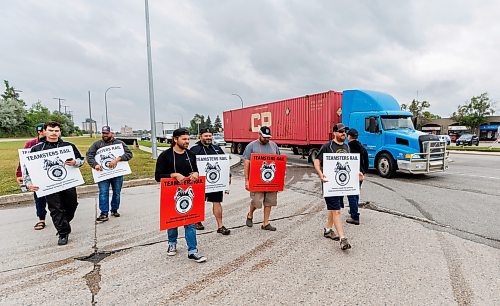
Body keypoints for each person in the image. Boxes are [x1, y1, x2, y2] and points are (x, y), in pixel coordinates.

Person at [24, 121, 85, 245]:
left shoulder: (69, 146)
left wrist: (75, 162)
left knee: (72, 205)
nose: (53, 133)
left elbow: (81, 160)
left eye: (56, 130)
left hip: (67, 183)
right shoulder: (36, 148)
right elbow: (28, 169)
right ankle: (63, 233)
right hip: (49, 185)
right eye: (51, 130)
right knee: (55, 208)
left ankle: (64, 223)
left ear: (60, 132)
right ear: (45, 131)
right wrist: (28, 183)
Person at [155, 128, 207, 263]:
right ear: (175, 139)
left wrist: (196, 173)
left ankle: (192, 251)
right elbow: (157, 176)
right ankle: (172, 243)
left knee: (190, 222)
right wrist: (173, 175)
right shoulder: (165, 156)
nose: (187, 142)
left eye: (188, 139)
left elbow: (195, 170)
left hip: (189, 193)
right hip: (171, 194)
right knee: (173, 221)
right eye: (184, 139)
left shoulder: (190, 155)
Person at [313, 123, 364, 250]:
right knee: (336, 210)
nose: (343, 133)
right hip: (329, 183)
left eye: (344, 132)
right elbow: (316, 161)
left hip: (341, 184)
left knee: (334, 207)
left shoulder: (347, 146)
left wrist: (358, 174)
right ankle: (343, 238)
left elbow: (349, 165)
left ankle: (328, 229)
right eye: (341, 131)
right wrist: (320, 174)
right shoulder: (327, 146)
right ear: (334, 132)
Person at [86, 126, 133, 222]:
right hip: (103, 173)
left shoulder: (119, 143)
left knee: (117, 192)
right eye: (103, 133)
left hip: (117, 173)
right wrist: (95, 165)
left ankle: (114, 209)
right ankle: (104, 213)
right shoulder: (97, 144)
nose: (105, 135)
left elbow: (129, 154)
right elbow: (89, 155)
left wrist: (118, 159)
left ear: (112, 133)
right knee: (103, 193)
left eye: (107, 133)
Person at [190, 128, 231, 235]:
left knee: (217, 202)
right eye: (206, 136)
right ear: (200, 137)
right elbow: (189, 165)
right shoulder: (194, 149)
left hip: (215, 182)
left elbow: (225, 164)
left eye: (210, 136)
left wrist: (228, 176)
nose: (208, 138)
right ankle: (197, 221)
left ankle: (220, 226)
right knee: (199, 202)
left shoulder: (217, 148)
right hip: (200, 182)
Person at [242, 126, 281, 231]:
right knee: (257, 201)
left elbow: (279, 163)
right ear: (259, 134)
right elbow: (246, 163)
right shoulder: (251, 146)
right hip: (256, 179)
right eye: (264, 137)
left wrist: (280, 181)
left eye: (268, 137)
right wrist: (247, 180)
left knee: (269, 201)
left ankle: (265, 223)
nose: (267, 139)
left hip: (271, 179)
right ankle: (250, 214)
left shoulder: (274, 146)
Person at [15, 123, 48, 230]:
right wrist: (20, 174)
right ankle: (41, 219)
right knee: (39, 197)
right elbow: (23, 161)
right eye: (45, 130)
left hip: (49, 173)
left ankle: (61, 218)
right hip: (36, 175)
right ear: (40, 132)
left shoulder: (54, 142)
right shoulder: (30, 144)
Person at [346, 128, 369, 225]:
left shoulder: (347, 148)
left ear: (349, 136)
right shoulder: (362, 147)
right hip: (360, 174)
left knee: (351, 194)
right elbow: (367, 161)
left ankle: (355, 217)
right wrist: (364, 172)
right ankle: (352, 210)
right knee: (356, 193)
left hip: (351, 174)